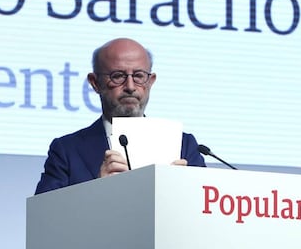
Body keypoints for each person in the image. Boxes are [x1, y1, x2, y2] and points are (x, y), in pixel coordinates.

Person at [35, 37, 205, 194]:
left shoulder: (184, 146)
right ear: (95, 83)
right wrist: (97, 190)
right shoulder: (67, 150)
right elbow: (42, 220)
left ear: (151, 81)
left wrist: (185, 191)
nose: (130, 86)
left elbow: (206, 210)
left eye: (139, 76)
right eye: (118, 76)